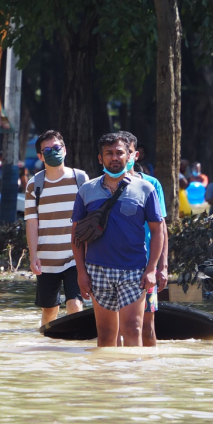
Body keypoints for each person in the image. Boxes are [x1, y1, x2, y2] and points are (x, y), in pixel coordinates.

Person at [71, 132, 166, 347]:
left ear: (128, 156)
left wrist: (152, 268)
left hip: (134, 270)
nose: (114, 157)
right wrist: (81, 272)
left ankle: (133, 379)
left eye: (119, 153)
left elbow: (158, 230)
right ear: (100, 158)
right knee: (105, 335)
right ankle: (107, 378)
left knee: (133, 328)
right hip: (97, 269)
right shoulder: (86, 190)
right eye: (109, 153)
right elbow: (76, 235)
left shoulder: (146, 189)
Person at [24, 130, 88, 327]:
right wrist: (33, 255)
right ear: (40, 156)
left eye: (57, 148)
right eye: (48, 150)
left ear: (65, 150)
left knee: (75, 304)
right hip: (46, 259)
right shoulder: (35, 184)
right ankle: (48, 348)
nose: (53, 152)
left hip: (74, 256)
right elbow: (32, 222)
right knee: (49, 311)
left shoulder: (80, 179)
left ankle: (75, 350)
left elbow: (89, 217)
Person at [120, 131, 169, 346]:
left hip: (145, 266)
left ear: (135, 154)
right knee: (114, 329)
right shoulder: (102, 184)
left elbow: (161, 229)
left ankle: (147, 373)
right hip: (113, 265)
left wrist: (162, 266)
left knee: (147, 326)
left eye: (128, 152)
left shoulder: (151, 185)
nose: (124, 157)